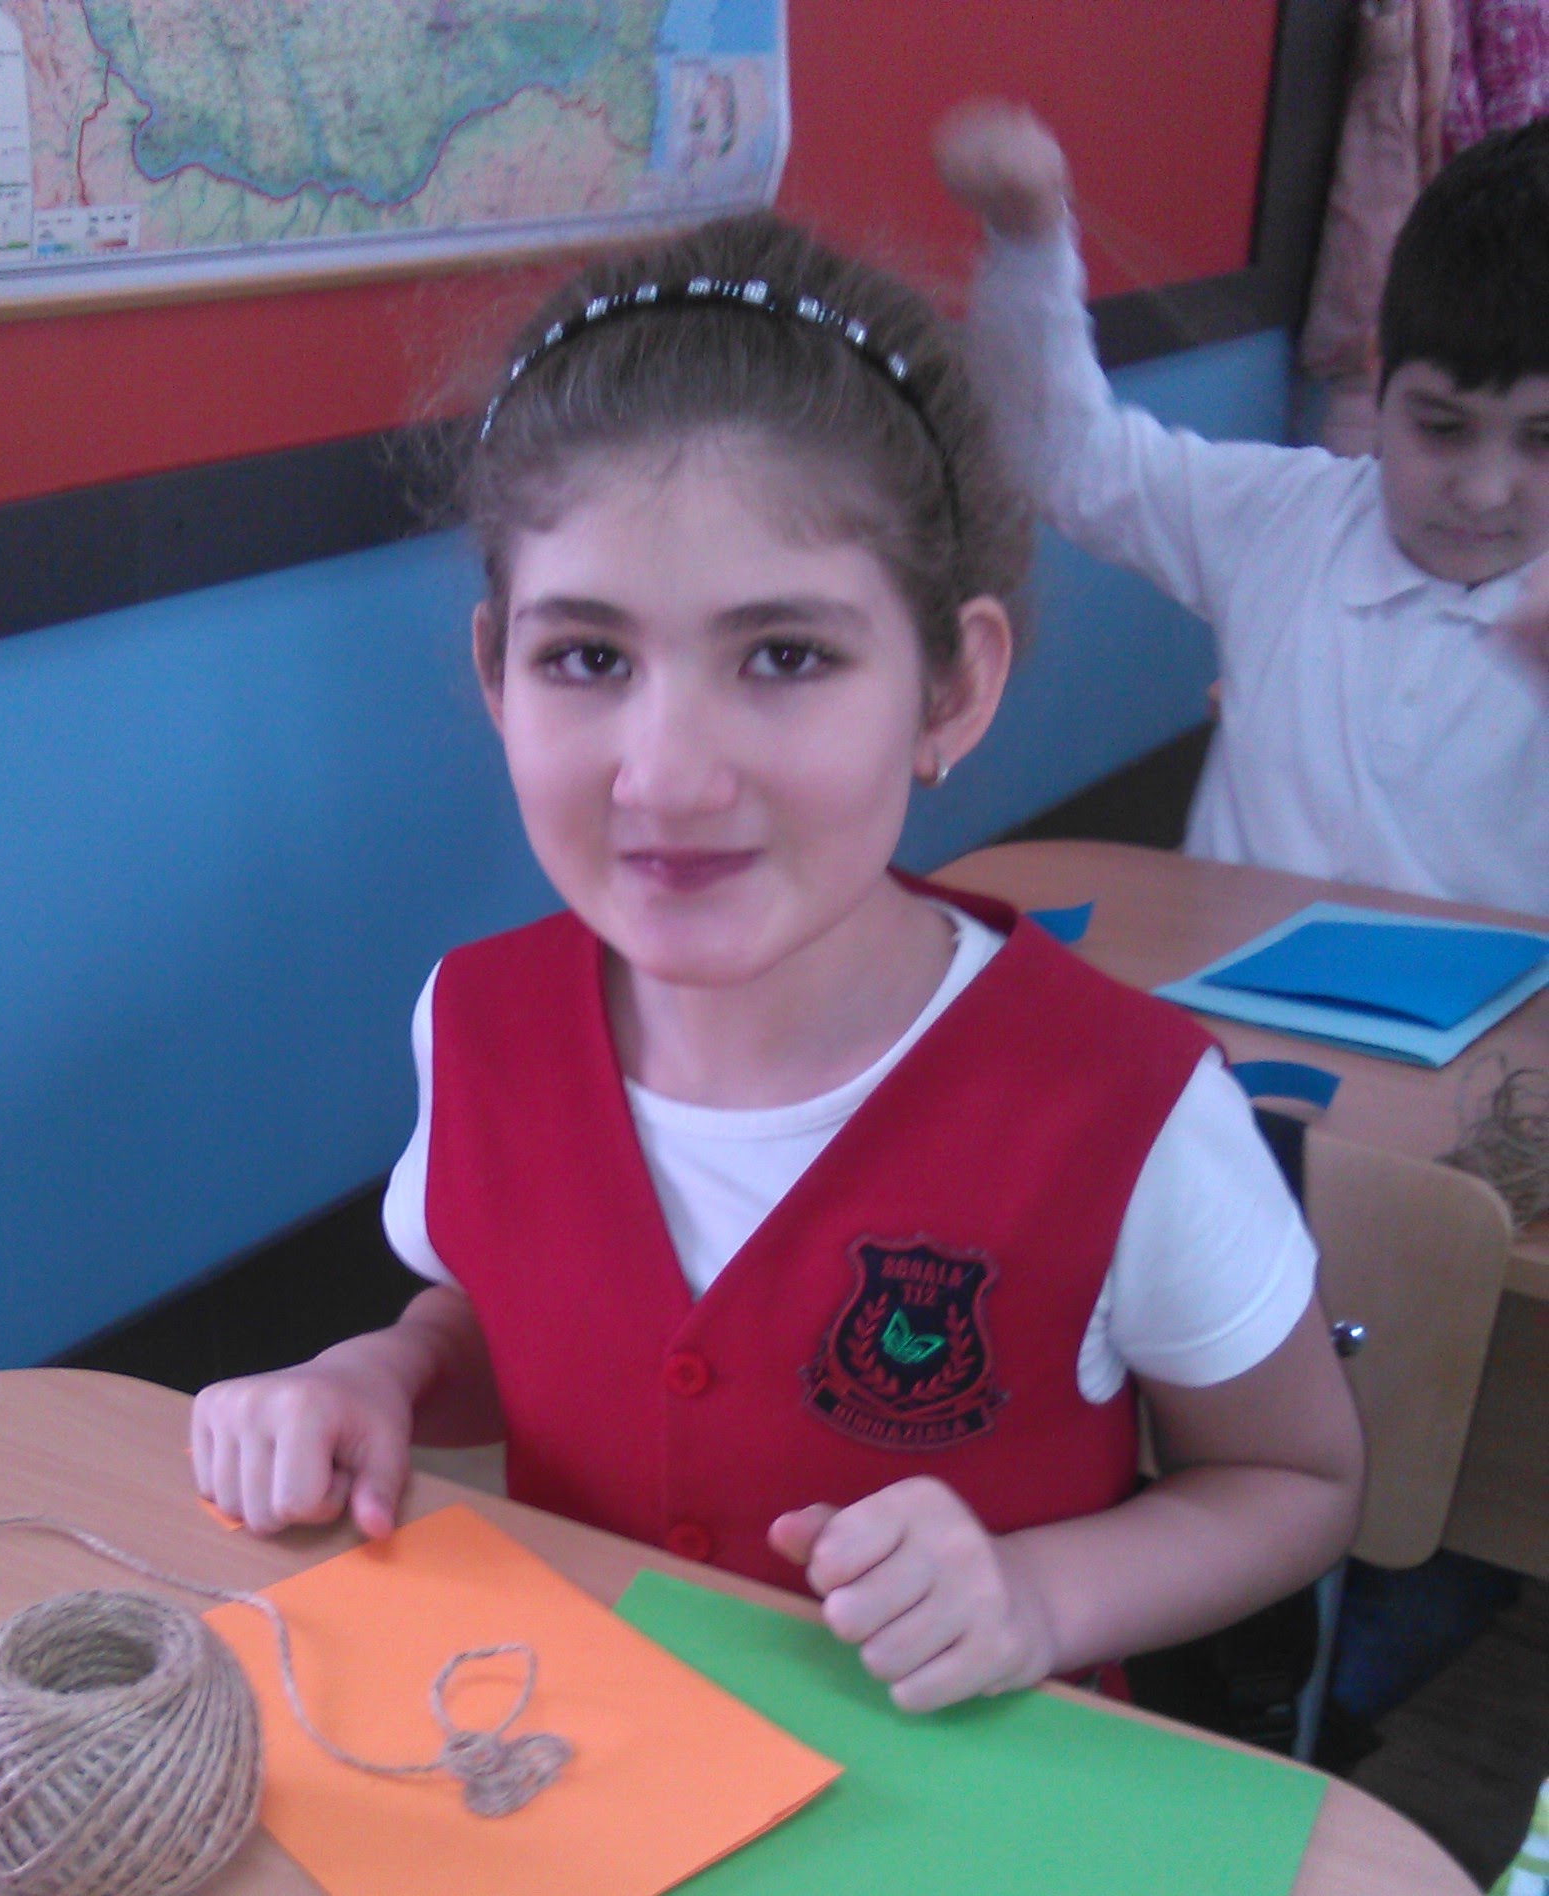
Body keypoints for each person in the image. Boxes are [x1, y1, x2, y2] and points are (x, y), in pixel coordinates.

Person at [190, 214, 1364, 1713]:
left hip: (958, 1817)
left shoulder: (1126, 1109)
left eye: (787, 657)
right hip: (582, 1768)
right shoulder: (476, 1022)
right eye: (588, 658)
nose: (669, 775)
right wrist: (387, 1373)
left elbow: (1295, 1479)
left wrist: (1039, 1593)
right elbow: (512, 1319)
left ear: (950, 688)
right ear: (496, 673)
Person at [936, 106, 1549, 909]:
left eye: (1543, 440)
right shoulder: (1285, 518)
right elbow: (1064, 460)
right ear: (1377, 372)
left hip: (1492, 992)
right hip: (1225, 968)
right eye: (1442, 427)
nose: (1484, 490)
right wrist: (1027, 239)